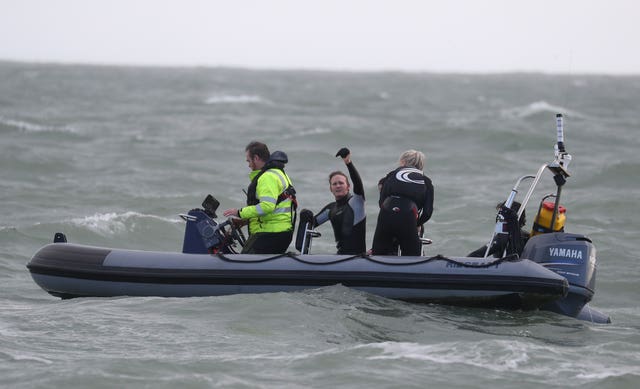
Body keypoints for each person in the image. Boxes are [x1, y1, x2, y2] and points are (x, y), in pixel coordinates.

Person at [223, 141, 295, 254]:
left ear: (256, 158)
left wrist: (239, 212)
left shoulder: (267, 177)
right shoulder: (278, 173)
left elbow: (267, 207)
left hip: (270, 234)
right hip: (281, 232)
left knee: (244, 263)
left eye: (249, 161)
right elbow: (275, 208)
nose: (248, 165)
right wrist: (245, 221)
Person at [371, 150, 434, 256]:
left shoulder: (392, 174)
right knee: (412, 258)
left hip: (386, 213)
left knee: (378, 255)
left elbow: (382, 202)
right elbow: (427, 212)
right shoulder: (426, 181)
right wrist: (417, 224)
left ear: (403, 162)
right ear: (421, 165)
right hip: (408, 217)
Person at [313, 147, 366, 254]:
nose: (338, 186)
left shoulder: (356, 202)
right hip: (340, 257)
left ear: (348, 186)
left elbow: (358, 184)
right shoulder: (330, 209)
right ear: (330, 189)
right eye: (335, 184)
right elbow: (311, 223)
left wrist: (348, 162)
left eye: (341, 183)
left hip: (358, 258)